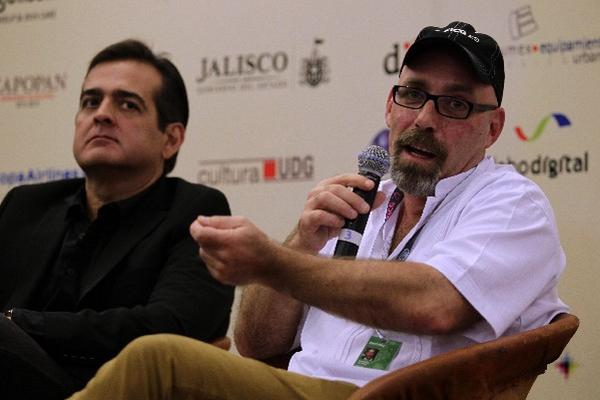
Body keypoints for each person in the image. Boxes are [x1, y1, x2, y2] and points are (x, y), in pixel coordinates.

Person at [68, 21, 568, 400]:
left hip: (381, 397)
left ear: (493, 126)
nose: (424, 119)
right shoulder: (361, 201)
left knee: (159, 365)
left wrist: (272, 261)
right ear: (390, 106)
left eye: (454, 105)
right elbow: (257, 344)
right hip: (302, 386)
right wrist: (301, 243)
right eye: (413, 94)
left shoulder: (511, 204)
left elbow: (437, 304)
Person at [0, 39, 234, 399]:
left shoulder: (196, 210)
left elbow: (169, 328)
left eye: (127, 104)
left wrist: (18, 325)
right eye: (91, 102)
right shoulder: (25, 204)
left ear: (170, 139)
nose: (102, 114)